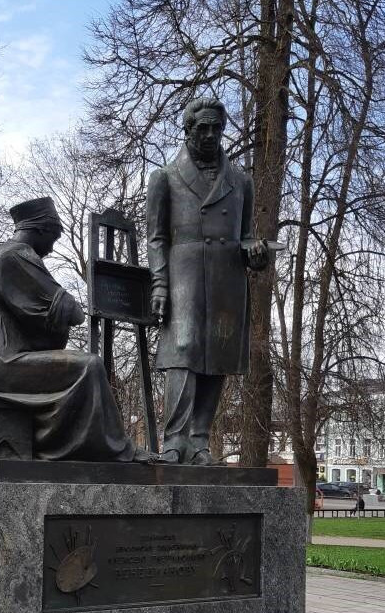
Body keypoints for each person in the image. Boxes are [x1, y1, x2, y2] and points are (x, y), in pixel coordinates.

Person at [0, 197, 149, 462]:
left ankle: (88, 447)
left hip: (2, 356)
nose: (51, 248)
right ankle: (110, 450)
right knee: (90, 366)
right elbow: (73, 314)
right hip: (1, 362)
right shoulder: (15, 256)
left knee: (85, 365)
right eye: (54, 236)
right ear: (41, 229)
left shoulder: (8, 254)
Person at [147, 97, 268, 465]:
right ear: (188, 130)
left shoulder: (241, 182)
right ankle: (174, 440)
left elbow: (245, 234)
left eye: (217, 127)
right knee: (181, 353)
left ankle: (200, 440)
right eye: (203, 128)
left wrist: (255, 251)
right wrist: (160, 285)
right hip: (184, 272)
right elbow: (157, 238)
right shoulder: (165, 178)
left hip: (226, 277)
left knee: (219, 354)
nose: (211, 134)